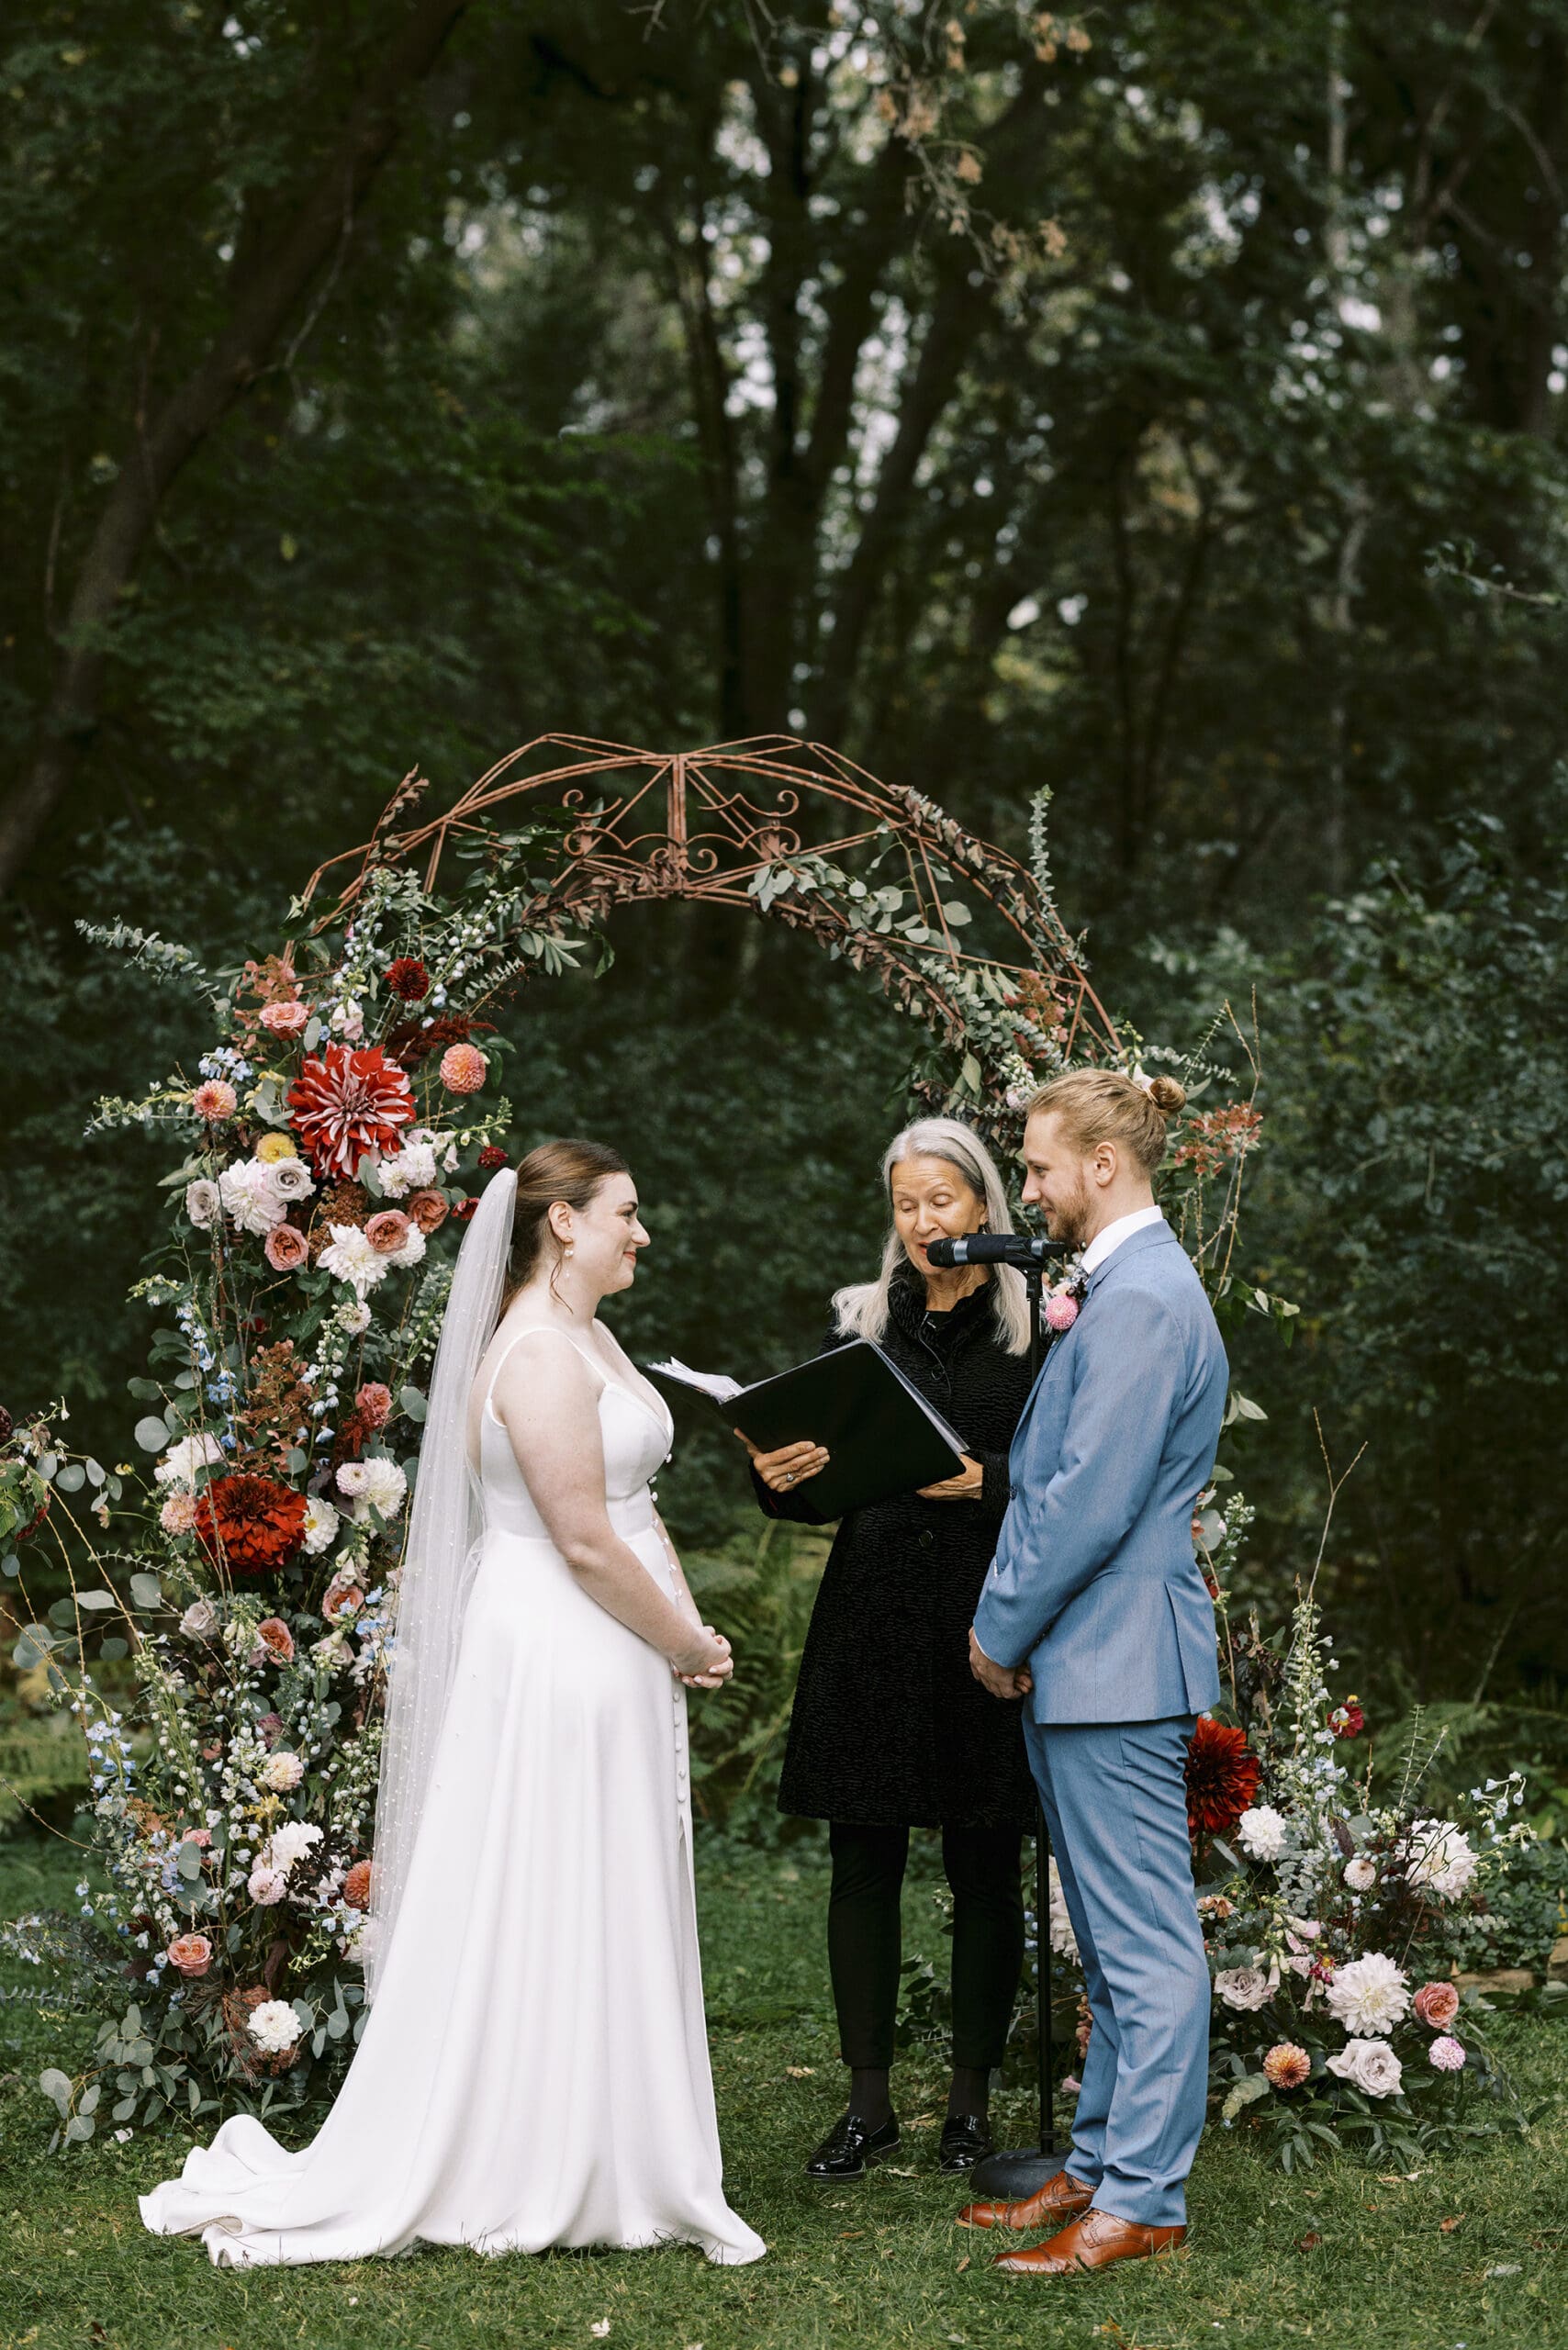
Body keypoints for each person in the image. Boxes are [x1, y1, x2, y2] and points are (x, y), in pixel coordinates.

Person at [140, 1140, 766, 2267]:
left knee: (604, 1878)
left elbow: (630, 1502)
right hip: (561, 1650)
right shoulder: (533, 1353)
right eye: (627, 1213)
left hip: (619, 1645)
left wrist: (686, 1635)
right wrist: (680, 1633)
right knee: (552, 1878)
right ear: (563, 1223)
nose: (643, 1233)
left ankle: (615, 2138)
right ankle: (537, 2151)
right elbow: (579, 1539)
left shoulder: (592, 1334)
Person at [958, 1070, 1226, 2279]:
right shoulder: (1123, 1292)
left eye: (1039, 1166)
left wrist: (999, 1627)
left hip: (1114, 1660)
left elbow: (1089, 1504)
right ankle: (1100, 2166)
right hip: (1093, 1659)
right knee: (1113, 1946)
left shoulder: (1144, 1303)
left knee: (1147, 1945)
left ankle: (1146, 2200)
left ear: (1104, 1166)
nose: (1029, 1188)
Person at [741, 1119, 1036, 2181]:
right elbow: (811, 1487)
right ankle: (867, 2105)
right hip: (869, 1618)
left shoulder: (1036, 1328)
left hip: (981, 1623)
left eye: (942, 1201)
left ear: (984, 1207)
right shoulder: (860, 1329)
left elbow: (1075, 1475)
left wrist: (989, 1482)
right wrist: (778, 1473)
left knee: (982, 1861)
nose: (922, 1222)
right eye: (906, 1204)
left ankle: (968, 2105)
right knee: (860, 1859)